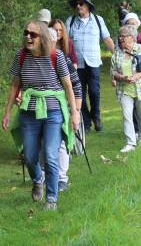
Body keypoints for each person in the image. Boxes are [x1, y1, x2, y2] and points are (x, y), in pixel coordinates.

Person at [2, 20, 79, 210]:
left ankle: (52, 198)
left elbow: (68, 85)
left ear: (42, 37)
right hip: (29, 112)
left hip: (53, 112)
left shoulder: (56, 56)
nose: (28, 36)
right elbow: (14, 85)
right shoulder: (20, 56)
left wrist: (75, 113)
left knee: (51, 155)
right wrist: (7, 112)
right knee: (29, 155)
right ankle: (38, 179)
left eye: (33, 34)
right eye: (26, 32)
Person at [65, 0, 115, 132]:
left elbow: (107, 39)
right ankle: (86, 122)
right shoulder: (71, 21)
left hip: (93, 62)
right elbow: (64, 41)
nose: (78, 6)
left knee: (94, 91)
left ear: (88, 6)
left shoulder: (98, 20)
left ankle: (96, 116)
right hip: (76, 64)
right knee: (79, 93)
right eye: (77, 4)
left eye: (81, 4)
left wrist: (118, 56)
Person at [110, 25, 141, 153]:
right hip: (124, 90)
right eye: (119, 36)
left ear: (131, 37)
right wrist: (121, 77)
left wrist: (139, 75)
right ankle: (130, 143)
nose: (120, 39)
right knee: (127, 116)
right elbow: (112, 71)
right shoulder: (117, 53)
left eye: (123, 36)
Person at [47, 24, 83, 192]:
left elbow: (75, 86)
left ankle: (62, 178)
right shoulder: (33, 58)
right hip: (41, 107)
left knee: (61, 142)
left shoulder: (63, 59)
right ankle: (44, 177)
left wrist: (76, 111)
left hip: (63, 106)